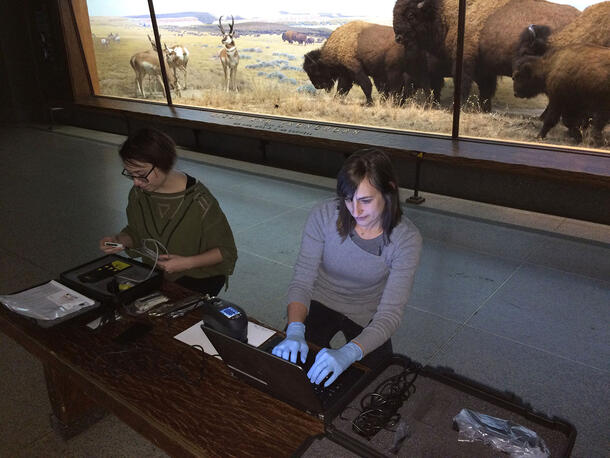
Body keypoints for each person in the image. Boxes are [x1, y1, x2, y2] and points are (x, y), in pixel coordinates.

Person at [272, 148, 422, 387]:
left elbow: (389, 314)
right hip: (320, 300)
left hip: (367, 311)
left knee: (376, 387)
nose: (356, 210)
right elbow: (302, 280)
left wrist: (349, 353)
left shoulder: (406, 239)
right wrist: (295, 330)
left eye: (365, 200)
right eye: (348, 199)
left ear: (389, 190)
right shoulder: (323, 215)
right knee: (288, 372)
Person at [99, 128, 237, 296]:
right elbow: (136, 232)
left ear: (163, 163)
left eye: (141, 174)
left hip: (199, 277)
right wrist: (119, 241)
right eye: (131, 175)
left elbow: (225, 251)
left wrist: (185, 263)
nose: (136, 182)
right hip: (157, 274)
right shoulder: (138, 194)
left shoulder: (199, 201)